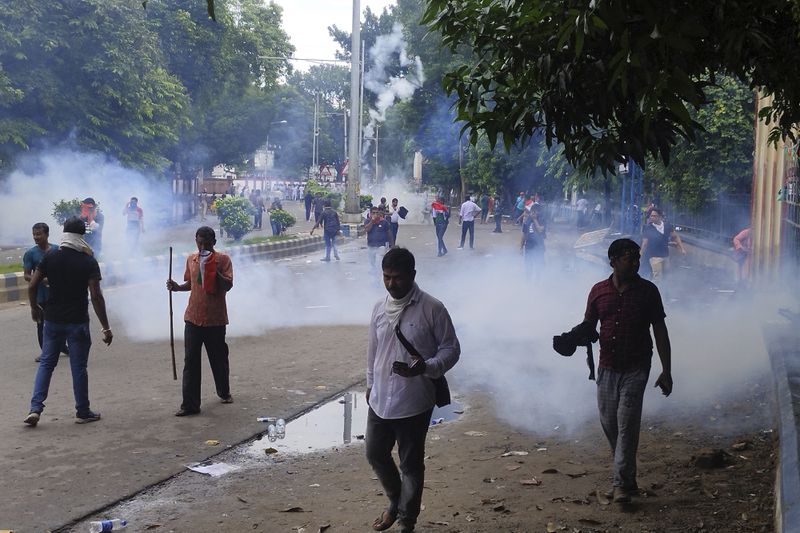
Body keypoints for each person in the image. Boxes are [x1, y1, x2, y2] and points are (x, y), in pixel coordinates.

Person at [366, 248, 460, 533]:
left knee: (411, 464)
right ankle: (396, 501)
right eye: (386, 277)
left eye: (397, 278)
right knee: (374, 453)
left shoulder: (433, 308)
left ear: (412, 276)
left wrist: (428, 366)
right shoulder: (379, 309)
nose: (391, 284)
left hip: (414, 401)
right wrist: (370, 385)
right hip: (380, 398)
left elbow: (452, 349)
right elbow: (372, 352)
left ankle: (407, 520)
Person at [583, 238, 673, 503]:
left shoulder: (648, 292)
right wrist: (572, 337)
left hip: (637, 367)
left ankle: (620, 485)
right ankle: (628, 478)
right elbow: (589, 325)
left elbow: (660, 330)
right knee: (610, 424)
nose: (636, 262)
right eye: (629, 257)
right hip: (607, 367)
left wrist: (666, 370)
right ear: (613, 261)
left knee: (626, 426)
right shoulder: (598, 291)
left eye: (637, 257)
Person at [24, 217, 113, 427]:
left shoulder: (50, 257)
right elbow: (96, 295)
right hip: (77, 321)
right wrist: (106, 328)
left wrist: (34, 308)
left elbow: (32, 285)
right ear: (82, 236)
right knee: (78, 367)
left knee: (46, 364)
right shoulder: (88, 261)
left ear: (64, 232)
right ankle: (82, 411)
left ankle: (35, 409)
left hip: (52, 320)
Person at [166, 226, 234, 416]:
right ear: (196, 241)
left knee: (218, 358)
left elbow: (228, 285)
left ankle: (224, 391)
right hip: (193, 318)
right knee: (191, 361)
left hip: (215, 319)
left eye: (206, 243)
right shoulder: (192, 259)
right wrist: (177, 287)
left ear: (214, 243)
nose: (202, 246)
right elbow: (192, 284)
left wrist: (212, 269)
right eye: (199, 242)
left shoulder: (223, 260)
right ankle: (190, 404)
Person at [23, 222, 66, 363]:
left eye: (39, 234)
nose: (36, 237)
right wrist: (41, 279)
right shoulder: (30, 254)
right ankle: (45, 352)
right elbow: (26, 275)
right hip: (41, 295)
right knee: (42, 325)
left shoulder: (57, 250)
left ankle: (62, 346)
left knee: (61, 321)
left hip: (58, 294)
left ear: (47, 234)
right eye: (34, 234)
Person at [640, 208, 686, 282]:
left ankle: (665, 291)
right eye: (651, 216)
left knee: (666, 275)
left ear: (660, 217)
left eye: (655, 216)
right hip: (654, 257)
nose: (652, 217)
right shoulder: (648, 228)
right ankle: (655, 292)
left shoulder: (667, 226)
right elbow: (645, 243)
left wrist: (682, 249)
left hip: (665, 255)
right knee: (657, 277)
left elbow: (675, 236)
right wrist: (641, 253)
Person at [520, 204, 545, 280]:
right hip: (529, 247)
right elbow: (524, 234)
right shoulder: (527, 221)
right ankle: (528, 282)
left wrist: (534, 220)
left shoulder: (542, 220)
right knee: (528, 265)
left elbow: (540, 230)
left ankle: (537, 282)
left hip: (539, 247)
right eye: (533, 212)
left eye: (536, 212)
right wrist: (521, 247)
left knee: (538, 265)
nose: (534, 213)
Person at [365, 206, 394, 272]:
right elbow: (367, 229)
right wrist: (372, 221)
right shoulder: (367, 221)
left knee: (379, 262)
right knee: (372, 263)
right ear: (370, 213)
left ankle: (379, 275)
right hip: (371, 245)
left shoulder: (384, 222)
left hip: (381, 245)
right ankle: (374, 275)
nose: (375, 214)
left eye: (376, 213)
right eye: (373, 213)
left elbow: (389, 233)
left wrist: (392, 245)